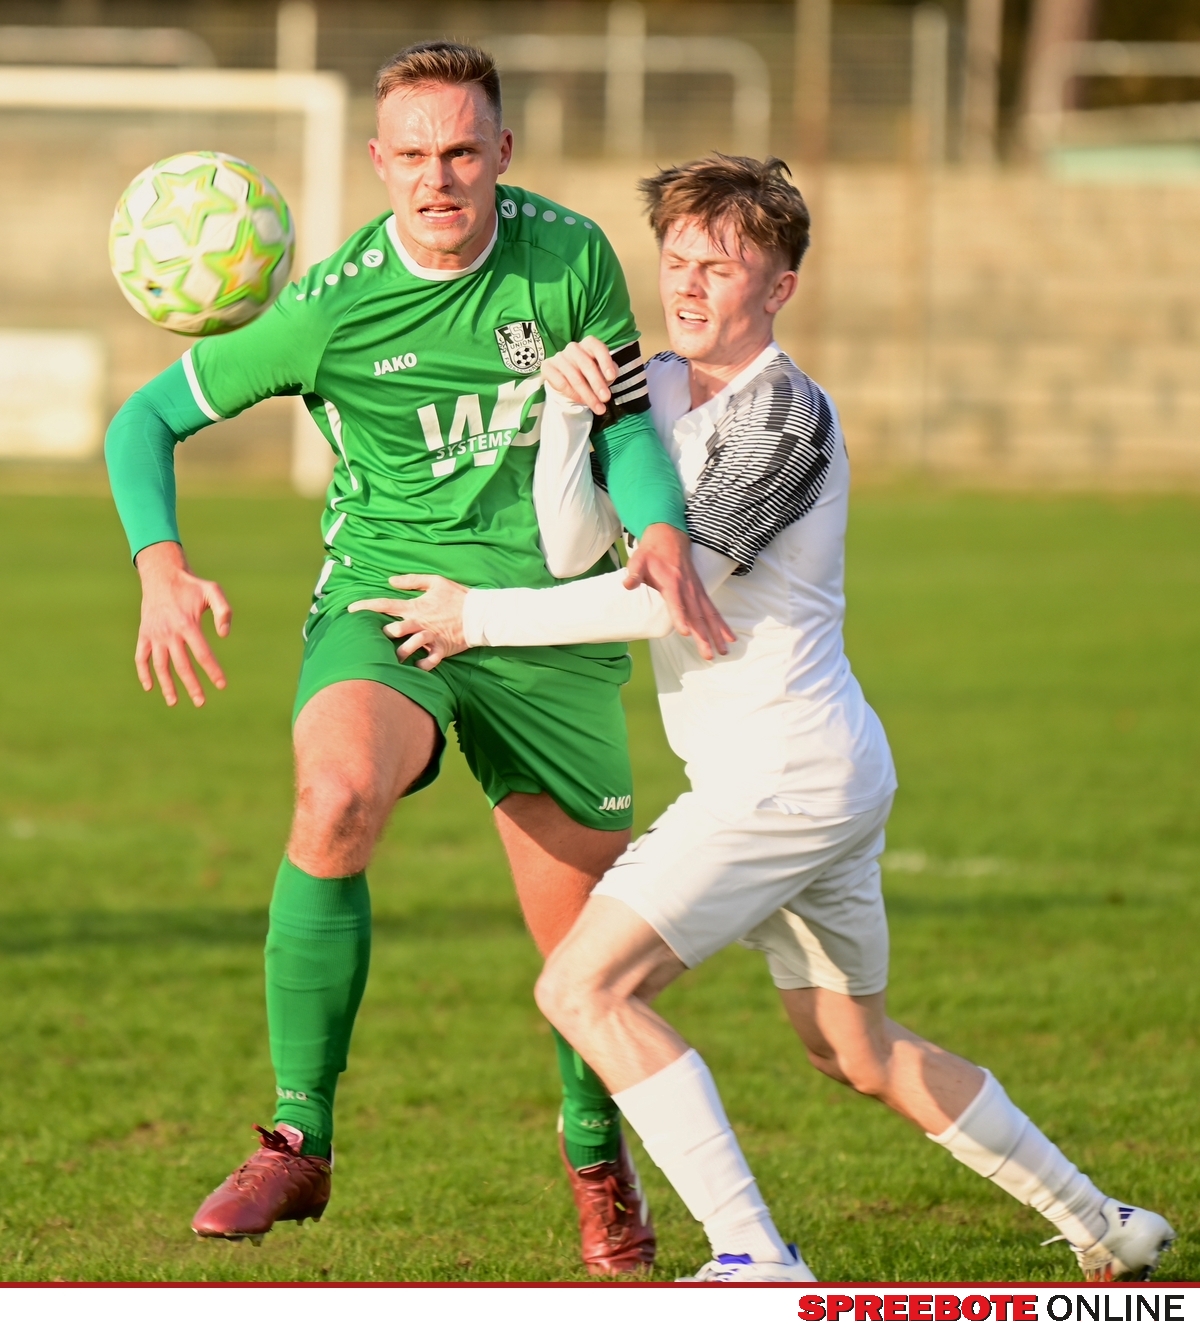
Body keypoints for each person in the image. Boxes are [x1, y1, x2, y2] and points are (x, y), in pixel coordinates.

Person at [359, 154, 1176, 1283]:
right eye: (676, 261)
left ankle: (754, 1257)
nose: (688, 286)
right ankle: (1108, 1227)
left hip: (781, 778)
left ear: (780, 286)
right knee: (855, 1049)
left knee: (582, 988)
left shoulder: (786, 416)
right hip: (818, 773)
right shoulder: (651, 384)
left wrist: (474, 620)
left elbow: (668, 595)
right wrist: (565, 414)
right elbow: (570, 545)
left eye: (721, 266)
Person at [103, 40, 732, 1273]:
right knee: (336, 793)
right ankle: (299, 1135)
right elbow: (147, 419)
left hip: (546, 621)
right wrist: (160, 567)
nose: (438, 179)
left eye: (461, 152)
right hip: (388, 602)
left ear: (502, 152)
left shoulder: (568, 258)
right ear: (377, 163)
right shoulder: (330, 307)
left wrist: (658, 522)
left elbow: (621, 426)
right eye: (413, 156)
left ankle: (596, 1158)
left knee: (587, 954)